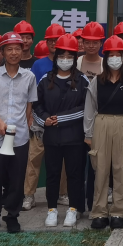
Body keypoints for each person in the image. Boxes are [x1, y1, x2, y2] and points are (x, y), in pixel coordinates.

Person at [0, 32, 39, 234]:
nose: (14, 53)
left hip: (19, 137)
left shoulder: (29, 76)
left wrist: (25, 125)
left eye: (17, 49)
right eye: (9, 49)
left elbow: (29, 105)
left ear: (23, 51)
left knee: (16, 179)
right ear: (3, 52)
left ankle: (12, 216)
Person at [34, 35, 88, 228]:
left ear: (75, 58)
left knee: (74, 174)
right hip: (51, 137)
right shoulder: (45, 79)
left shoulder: (82, 80)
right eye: (62, 55)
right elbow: (36, 106)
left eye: (69, 56)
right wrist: (45, 119)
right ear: (56, 56)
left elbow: (86, 108)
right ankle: (52, 209)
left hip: (74, 137)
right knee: (52, 174)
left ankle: (73, 208)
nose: (65, 59)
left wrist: (62, 118)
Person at [84, 35, 123, 230]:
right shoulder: (97, 81)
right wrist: (88, 134)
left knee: (122, 169)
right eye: (111, 55)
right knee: (101, 169)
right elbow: (90, 108)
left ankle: (118, 213)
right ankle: (99, 212)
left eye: (118, 55)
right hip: (101, 124)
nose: (114, 59)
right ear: (105, 58)